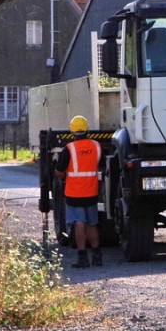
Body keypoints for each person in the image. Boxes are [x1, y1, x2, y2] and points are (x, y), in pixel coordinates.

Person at [55, 115, 104, 268]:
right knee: (92, 223)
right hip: (91, 191)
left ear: (72, 131)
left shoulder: (69, 149)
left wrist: (65, 176)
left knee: (79, 223)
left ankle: (83, 257)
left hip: (74, 193)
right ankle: (97, 256)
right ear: (87, 129)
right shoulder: (96, 146)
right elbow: (101, 166)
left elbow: (59, 171)